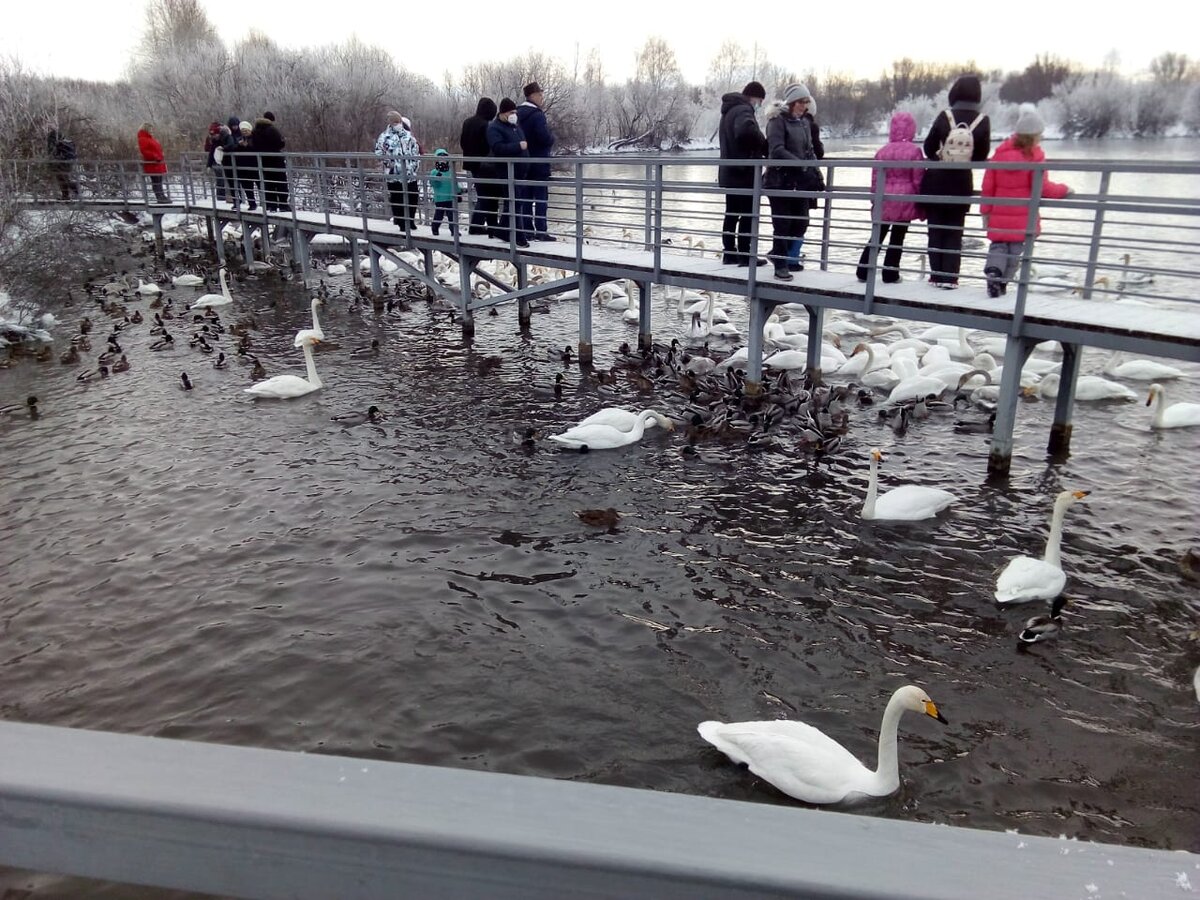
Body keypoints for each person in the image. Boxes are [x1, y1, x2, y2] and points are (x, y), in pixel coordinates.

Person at [980, 104, 1071, 298]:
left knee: (997, 247)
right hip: (1023, 218)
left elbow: (988, 186)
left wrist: (985, 211)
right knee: (1014, 253)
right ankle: (1002, 283)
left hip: (999, 214)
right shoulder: (1035, 158)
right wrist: (1065, 189)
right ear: (1034, 136)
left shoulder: (999, 155)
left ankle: (994, 272)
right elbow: (1043, 188)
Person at [920, 75, 990, 288]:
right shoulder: (982, 120)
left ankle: (935, 276)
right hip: (961, 183)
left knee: (935, 231)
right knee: (954, 232)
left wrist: (941, 157)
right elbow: (981, 156)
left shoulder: (945, 116)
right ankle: (950, 278)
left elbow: (928, 147)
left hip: (937, 181)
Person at [856, 111, 926, 284]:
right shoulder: (915, 151)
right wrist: (921, 200)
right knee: (898, 236)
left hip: (884, 198)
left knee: (877, 235)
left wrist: (874, 199)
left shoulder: (882, 152)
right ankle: (890, 272)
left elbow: (874, 179)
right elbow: (918, 179)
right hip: (905, 199)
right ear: (911, 129)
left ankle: (863, 269)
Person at [763, 84, 817, 281]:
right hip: (778, 180)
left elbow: (809, 151)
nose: (805, 106)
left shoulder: (803, 123)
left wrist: (815, 173)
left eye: (806, 102)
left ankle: (778, 254)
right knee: (782, 223)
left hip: (799, 181)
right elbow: (776, 149)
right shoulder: (777, 121)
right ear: (793, 102)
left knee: (801, 223)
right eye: (802, 102)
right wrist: (799, 164)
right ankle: (781, 264)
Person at [718, 80, 769, 266]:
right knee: (748, 214)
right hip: (744, 173)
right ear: (753, 97)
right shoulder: (743, 110)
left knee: (731, 213)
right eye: (760, 101)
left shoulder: (729, 110)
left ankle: (729, 253)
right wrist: (765, 146)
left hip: (730, 171)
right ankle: (745, 255)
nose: (759, 105)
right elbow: (747, 131)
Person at [484, 98, 530, 247]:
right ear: (503, 113)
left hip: (519, 171)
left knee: (514, 203)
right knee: (514, 203)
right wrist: (518, 146)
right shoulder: (494, 128)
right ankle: (519, 237)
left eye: (515, 112)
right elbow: (498, 148)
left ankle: (503, 231)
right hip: (506, 171)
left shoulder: (514, 126)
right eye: (511, 112)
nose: (514, 115)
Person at [787, 97, 825, 270]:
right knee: (802, 220)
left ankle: (786, 254)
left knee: (790, 219)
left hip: (790, 179)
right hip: (805, 178)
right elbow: (818, 151)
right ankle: (792, 257)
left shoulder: (788, 122)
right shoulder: (810, 126)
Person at [516, 81, 556, 240]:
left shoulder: (517, 114)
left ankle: (527, 230)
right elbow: (544, 137)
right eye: (540, 95)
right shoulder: (537, 115)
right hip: (539, 163)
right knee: (541, 198)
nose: (542, 98)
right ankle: (541, 231)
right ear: (532, 96)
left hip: (523, 163)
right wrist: (551, 138)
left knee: (525, 198)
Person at [374, 110, 421, 230]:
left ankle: (410, 220)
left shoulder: (408, 135)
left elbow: (416, 151)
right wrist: (388, 163)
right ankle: (401, 222)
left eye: (399, 121)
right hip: (393, 173)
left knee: (413, 196)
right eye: (395, 122)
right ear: (390, 123)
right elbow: (379, 153)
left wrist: (415, 164)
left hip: (409, 172)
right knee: (397, 198)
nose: (398, 124)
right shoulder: (384, 137)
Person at [461, 97, 498, 235]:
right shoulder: (486, 125)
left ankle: (485, 226)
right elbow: (488, 146)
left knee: (484, 195)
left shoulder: (467, 122)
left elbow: (463, 143)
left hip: (471, 163)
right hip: (484, 165)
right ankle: (480, 226)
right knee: (487, 196)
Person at [252, 111, 288, 211]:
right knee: (280, 183)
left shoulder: (255, 130)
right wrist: (283, 141)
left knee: (268, 183)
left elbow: (254, 145)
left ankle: (271, 205)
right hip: (275, 160)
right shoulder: (272, 130)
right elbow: (279, 143)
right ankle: (283, 205)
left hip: (263, 161)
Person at [428, 149, 462, 236]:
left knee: (452, 216)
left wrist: (458, 192)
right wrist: (436, 178)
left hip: (451, 197)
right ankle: (435, 227)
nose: (443, 160)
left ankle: (454, 230)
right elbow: (433, 184)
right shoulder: (434, 172)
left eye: (444, 157)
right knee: (439, 215)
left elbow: (455, 183)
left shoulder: (451, 171)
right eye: (440, 158)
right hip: (440, 198)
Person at [137, 122, 170, 203]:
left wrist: (160, 155)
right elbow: (144, 151)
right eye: (151, 129)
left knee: (159, 180)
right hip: (152, 163)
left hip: (157, 163)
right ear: (146, 129)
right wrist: (155, 156)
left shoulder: (150, 138)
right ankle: (159, 197)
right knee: (156, 181)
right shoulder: (143, 139)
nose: (152, 131)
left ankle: (161, 196)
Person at [230, 121, 257, 211]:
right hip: (242, 167)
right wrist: (240, 145)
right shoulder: (240, 139)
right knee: (247, 187)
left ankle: (267, 204)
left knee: (260, 185)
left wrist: (247, 146)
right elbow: (234, 149)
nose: (244, 132)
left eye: (246, 130)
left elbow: (256, 150)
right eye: (243, 130)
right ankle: (252, 203)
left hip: (254, 166)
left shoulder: (255, 138)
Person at [46, 128, 78, 200]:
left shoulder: (61, 144)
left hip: (62, 164)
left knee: (64, 179)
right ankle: (66, 195)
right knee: (63, 179)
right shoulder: (69, 143)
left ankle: (74, 193)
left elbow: (54, 153)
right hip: (67, 163)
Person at [203, 121, 227, 201]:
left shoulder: (225, 137)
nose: (214, 136)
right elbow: (211, 152)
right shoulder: (214, 140)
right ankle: (221, 198)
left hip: (225, 161)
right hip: (217, 161)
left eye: (215, 135)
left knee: (224, 180)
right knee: (220, 180)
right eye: (212, 135)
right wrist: (208, 165)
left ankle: (225, 197)